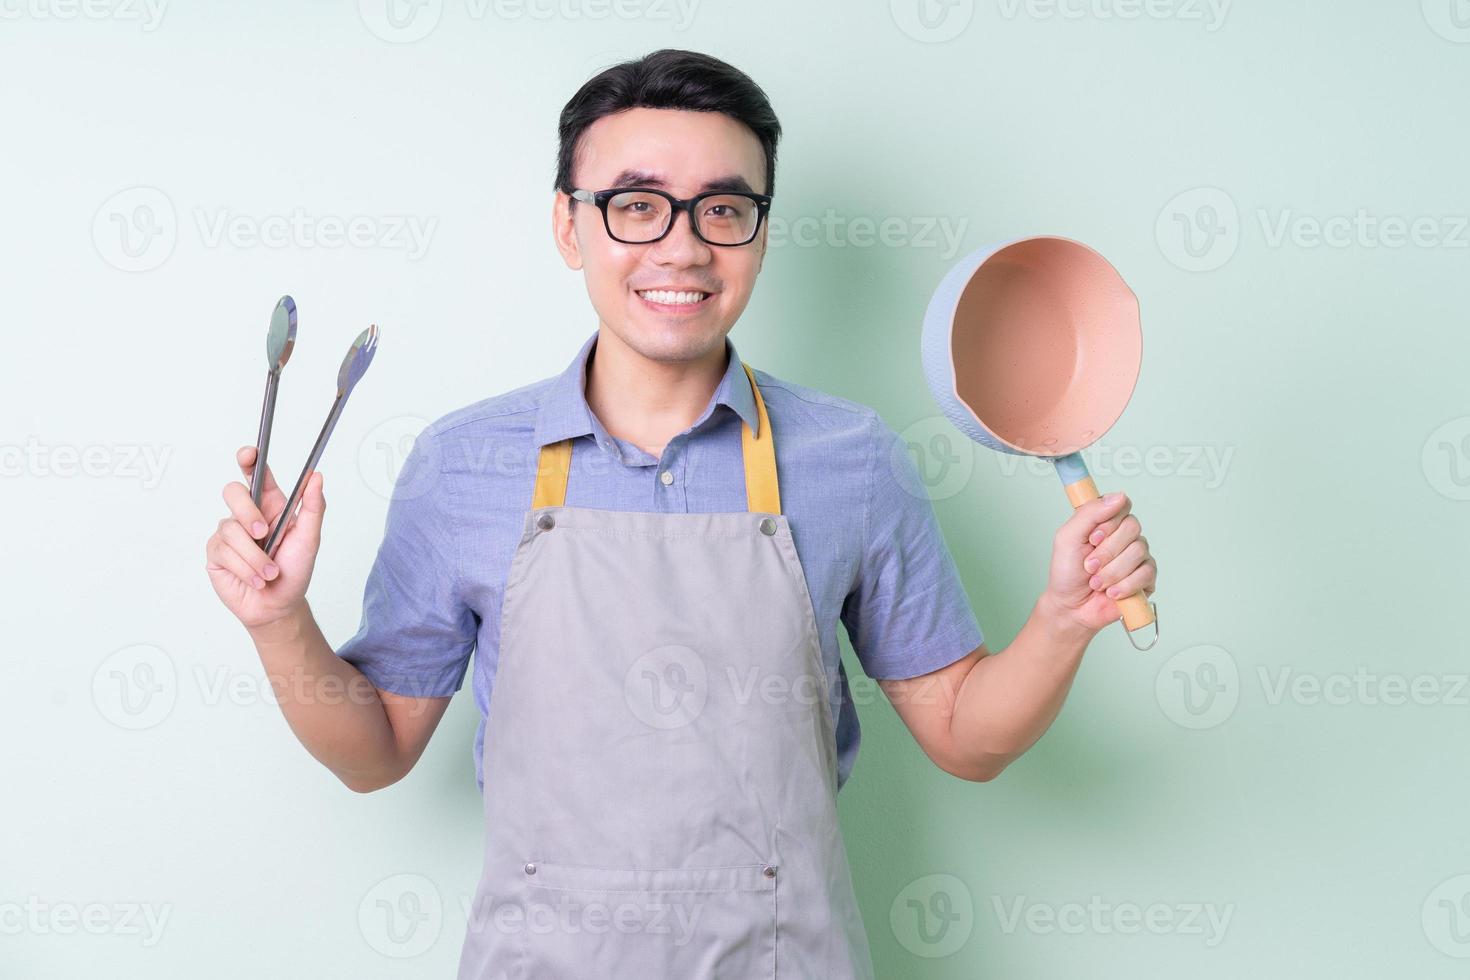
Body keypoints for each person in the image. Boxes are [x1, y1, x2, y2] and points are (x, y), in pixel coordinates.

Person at [205, 48, 1158, 980]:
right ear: (569, 228)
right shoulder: (464, 463)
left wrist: (1062, 621)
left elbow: (964, 735)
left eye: (724, 209)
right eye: (636, 204)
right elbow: (373, 755)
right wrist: (281, 622)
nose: (683, 245)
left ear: (761, 230)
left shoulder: (851, 458)